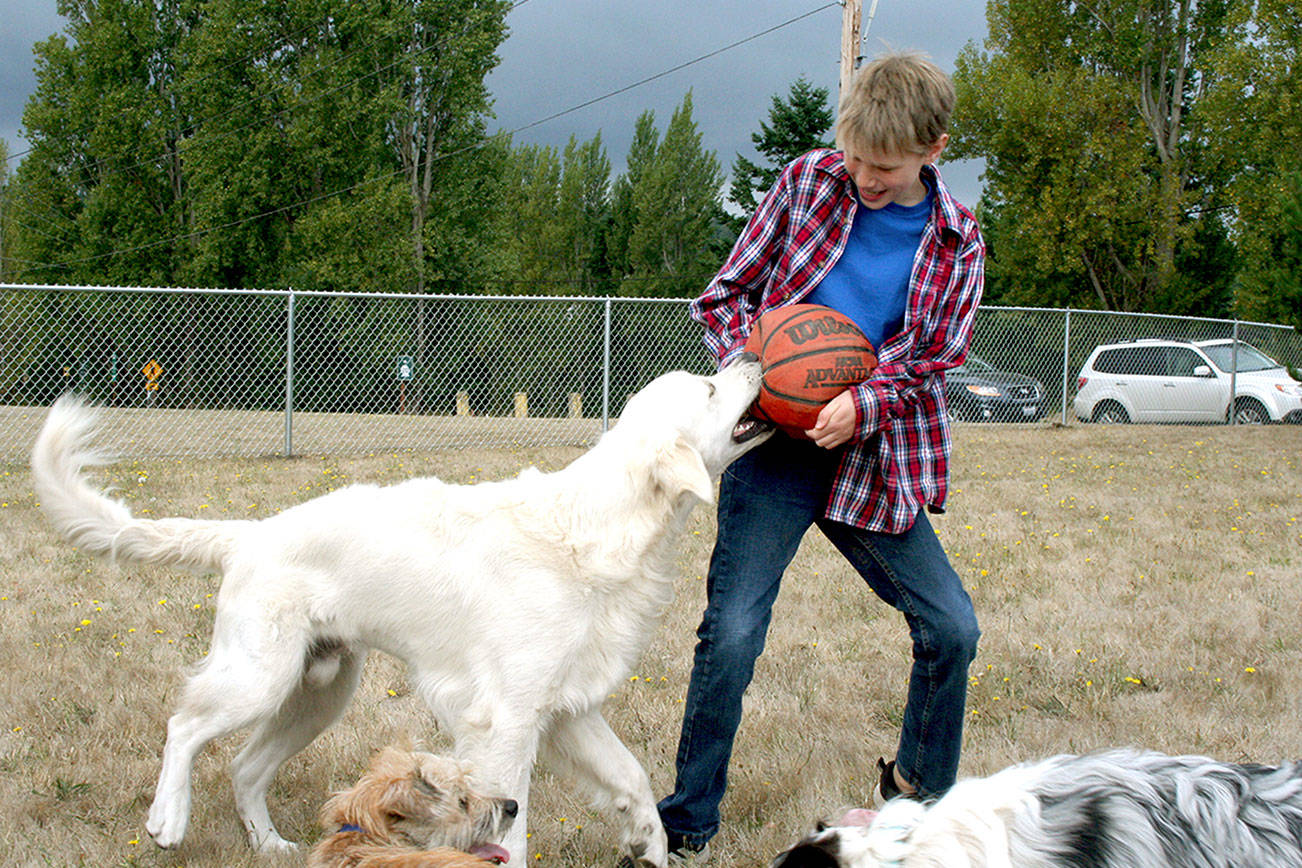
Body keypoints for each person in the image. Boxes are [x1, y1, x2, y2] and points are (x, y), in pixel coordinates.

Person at [655, 51, 985, 862]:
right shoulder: (807, 182)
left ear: (933, 150)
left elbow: (935, 357)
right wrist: (765, 378)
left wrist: (861, 403)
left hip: (872, 455)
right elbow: (726, 296)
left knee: (951, 628)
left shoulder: (959, 240)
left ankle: (916, 808)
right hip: (774, 451)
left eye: (886, 168)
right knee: (732, 634)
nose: (866, 178)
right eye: (857, 158)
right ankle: (687, 821)